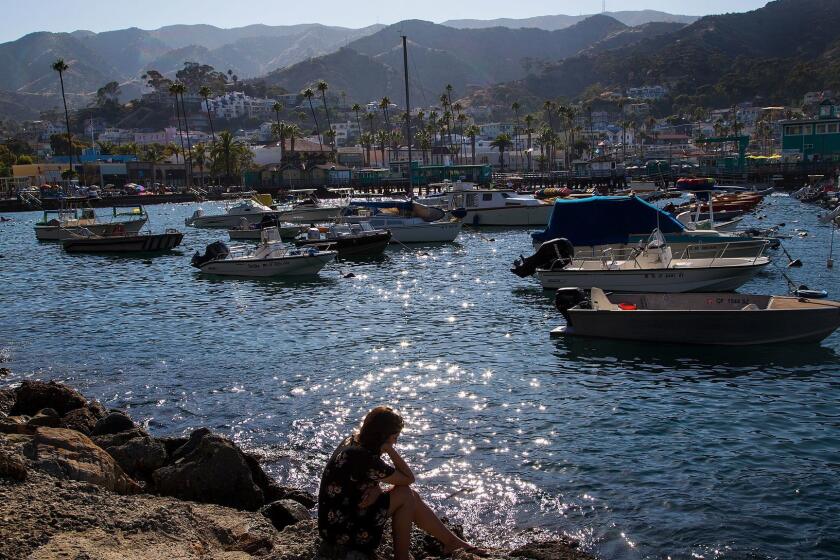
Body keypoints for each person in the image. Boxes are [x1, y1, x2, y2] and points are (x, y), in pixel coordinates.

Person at [318, 406, 484, 559]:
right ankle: (405, 557)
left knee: (411, 496)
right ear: (383, 437)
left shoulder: (352, 441)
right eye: (394, 438)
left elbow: (361, 478)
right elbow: (408, 478)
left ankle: (451, 542)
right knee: (405, 495)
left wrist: (377, 489)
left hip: (331, 523)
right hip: (343, 531)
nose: (395, 442)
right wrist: (390, 450)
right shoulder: (365, 458)